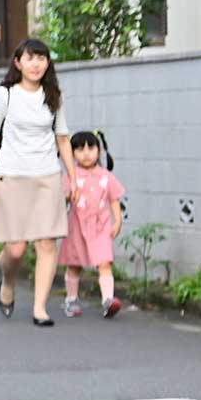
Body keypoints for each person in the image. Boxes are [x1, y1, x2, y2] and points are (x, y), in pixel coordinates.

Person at [0, 38, 77, 328]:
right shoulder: (5, 95)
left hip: (47, 176)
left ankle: (40, 309)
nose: (36, 64)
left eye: (42, 58)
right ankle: (8, 282)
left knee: (47, 243)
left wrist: (72, 176)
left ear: (48, 63)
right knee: (16, 249)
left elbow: (62, 137)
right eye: (30, 58)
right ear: (18, 63)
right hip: (11, 176)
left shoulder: (53, 95)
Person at [59, 131, 125, 319]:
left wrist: (117, 220)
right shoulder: (71, 177)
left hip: (100, 226)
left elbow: (114, 199)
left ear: (99, 150)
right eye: (79, 149)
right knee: (74, 264)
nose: (86, 153)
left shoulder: (105, 176)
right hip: (77, 227)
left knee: (104, 262)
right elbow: (62, 199)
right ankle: (71, 299)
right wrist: (67, 195)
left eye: (91, 148)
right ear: (71, 153)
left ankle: (108, 300)